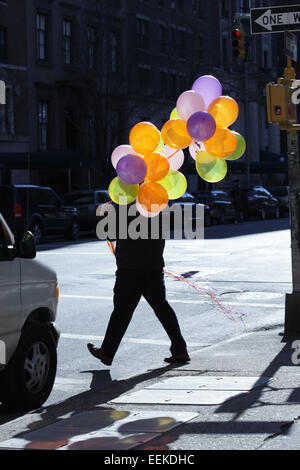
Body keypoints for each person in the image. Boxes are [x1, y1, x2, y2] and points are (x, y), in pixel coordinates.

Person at [87, 203, 190, 366]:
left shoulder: (124, 204)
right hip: (153, 265)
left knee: (122, 311)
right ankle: (180, 349)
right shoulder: (156, 201)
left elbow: (110, 234)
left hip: (130, 267)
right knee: (162, 307)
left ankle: (107, 352)